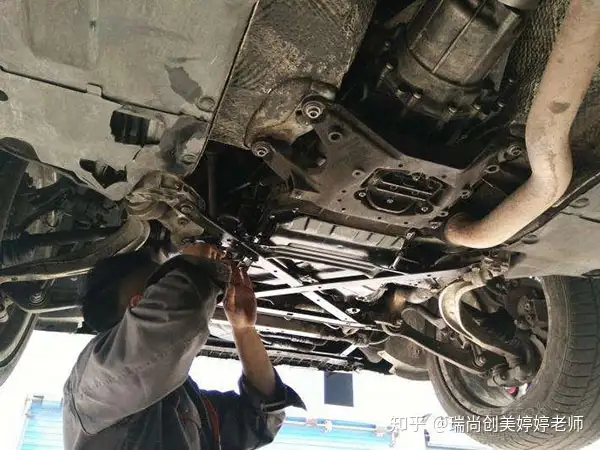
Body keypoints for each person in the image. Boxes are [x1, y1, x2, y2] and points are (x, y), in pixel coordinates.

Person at [63, 243, 304, 450]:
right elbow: (259, 422)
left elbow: (258, 420)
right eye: (155, 290)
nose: (168, 287)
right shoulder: (93, 387)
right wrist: (192, 264)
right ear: (136, 306)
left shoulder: (179, 404)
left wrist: (243, 330)